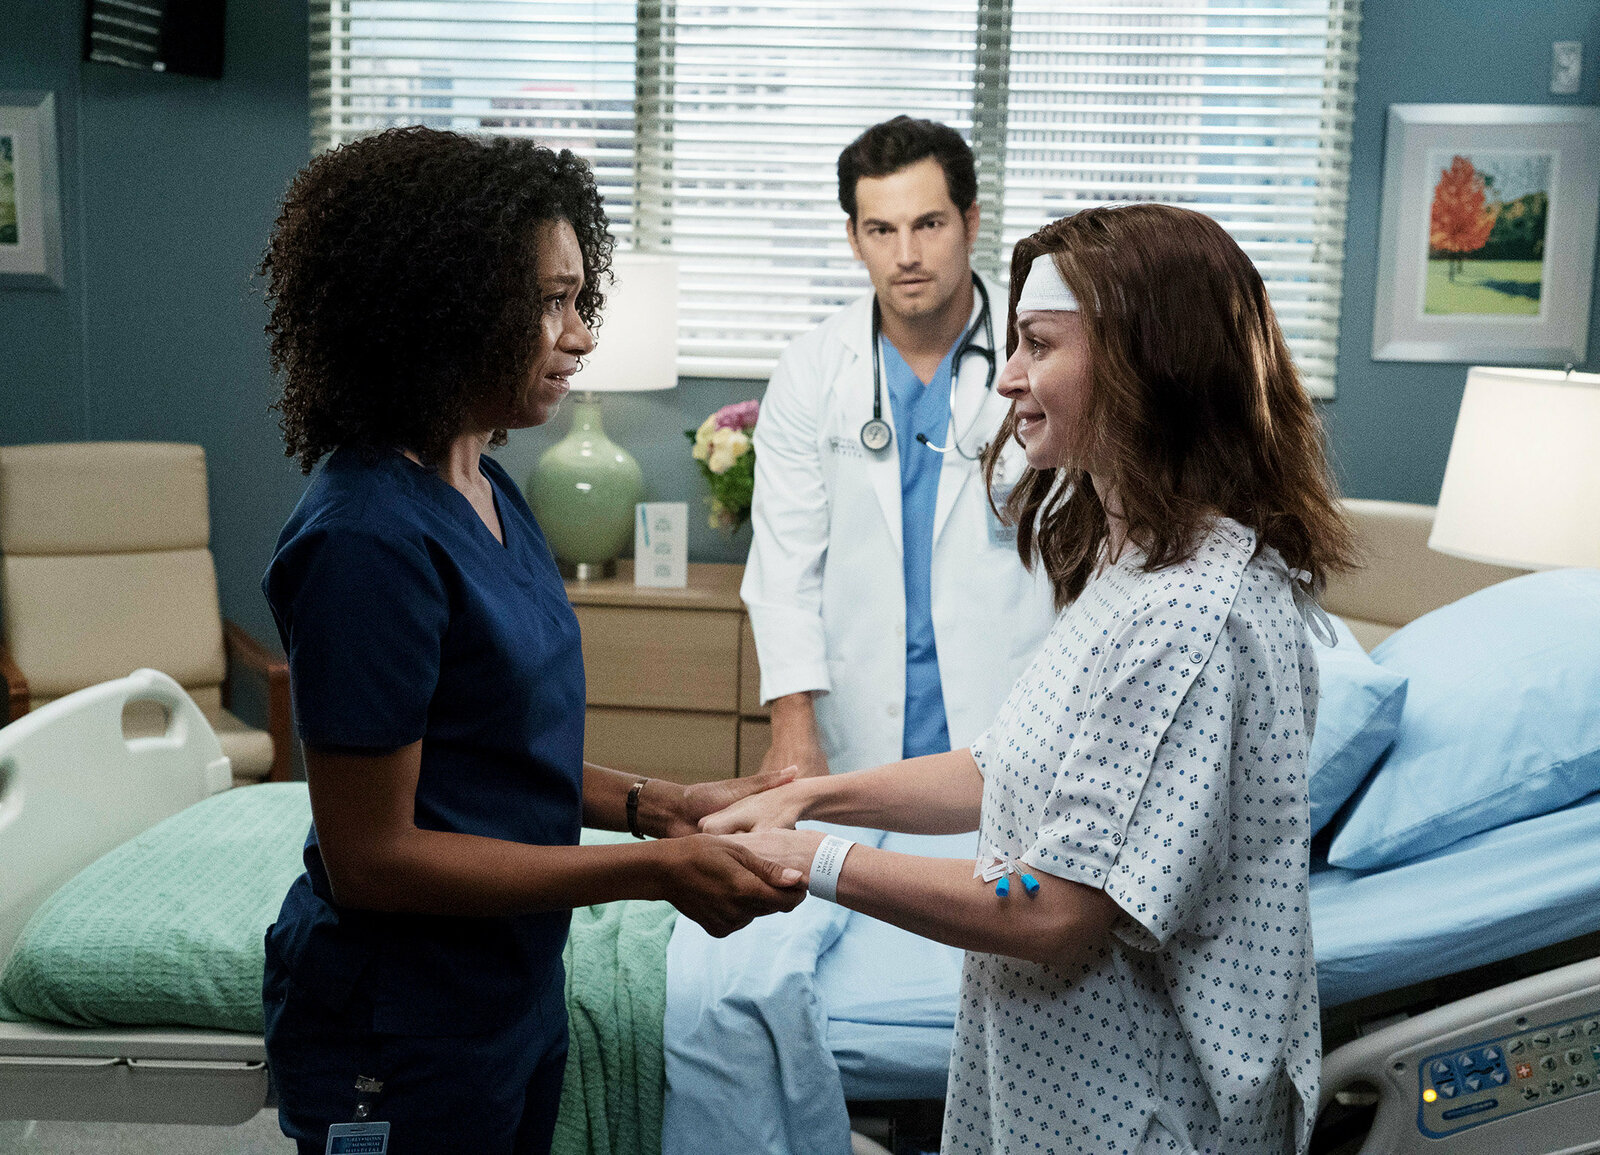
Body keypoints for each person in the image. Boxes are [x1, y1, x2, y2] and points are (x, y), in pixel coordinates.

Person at [706, 203, 1357, 1154]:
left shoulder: (1189, 617)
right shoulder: (1136, 568)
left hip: (1141, 1117)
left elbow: (1054, 909)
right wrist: (810, 797)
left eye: (1039, 345)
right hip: (1060, 1095)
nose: (1007, 375)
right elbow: (1005, 766)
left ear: (1144, 363)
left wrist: (813, 861)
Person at [256, 126, 804, 1155]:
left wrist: (654, 805)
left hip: (509, 983)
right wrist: (650, 872)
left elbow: (490, 749)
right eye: (551, 301)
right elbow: (373, 858)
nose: (582, 335)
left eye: (579, 299)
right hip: (404, 1020)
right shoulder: (366, 539)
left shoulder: (485, 484)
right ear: (446, 304)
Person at [742, 116, 1056, 780]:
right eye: (881, 230)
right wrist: (793, 731)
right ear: (854, 238)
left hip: (1016, 724)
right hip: (857, 735)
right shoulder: (812, 369)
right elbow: (785, 568)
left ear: (971, 223)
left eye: (929, 224)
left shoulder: (1046, 357)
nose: (906, 254)